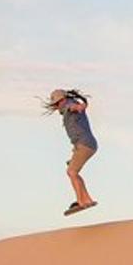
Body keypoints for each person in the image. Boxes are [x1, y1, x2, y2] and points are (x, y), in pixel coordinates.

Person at [44, 88, 98, 216]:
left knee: (71, 172)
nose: (57, 107)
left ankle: (81, 202)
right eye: (55, 105)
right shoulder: (67, 107)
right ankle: (87, 200)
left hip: (84, 145)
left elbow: (75, 107)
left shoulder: (69, 105)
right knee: (73, 172)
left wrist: (80, 107)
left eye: (57, 104)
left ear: (63, 100)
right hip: (87, 144)